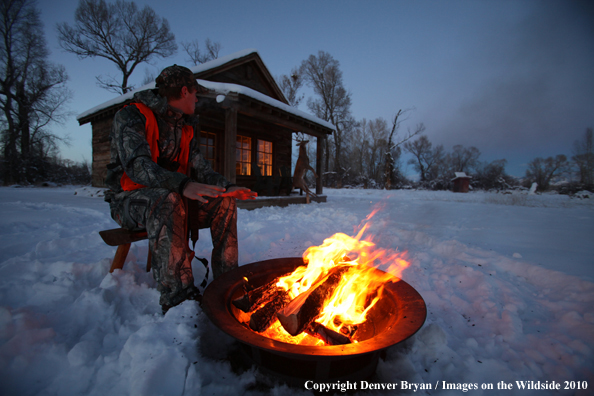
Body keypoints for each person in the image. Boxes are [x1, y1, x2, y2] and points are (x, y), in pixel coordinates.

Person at [104, 65, 256, 313]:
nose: (197, 98)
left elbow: (201, 168)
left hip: (172, 197)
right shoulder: (132, 116)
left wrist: (228, 187)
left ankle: (228, 284)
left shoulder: (185, 127)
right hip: (128, 201)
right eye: (195, 92)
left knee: (224, 202)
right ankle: (178, 299)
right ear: (184, 91)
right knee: (168, 200)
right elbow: (137, 166)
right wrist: (183, 185)